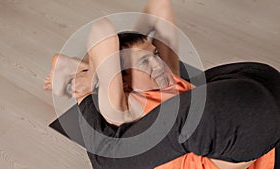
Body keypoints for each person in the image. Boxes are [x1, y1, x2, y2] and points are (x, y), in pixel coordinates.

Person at [44, 0, 280, 168]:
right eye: (146, 62)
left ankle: (71, 69)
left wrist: (135, 49)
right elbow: (101, 30)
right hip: (234, 153)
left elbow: (160, 6)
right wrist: (91, 74)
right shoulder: (126, 108)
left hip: (261, 146)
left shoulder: (171, 78)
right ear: (122, 80)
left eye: (155, 54)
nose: (159, 64)